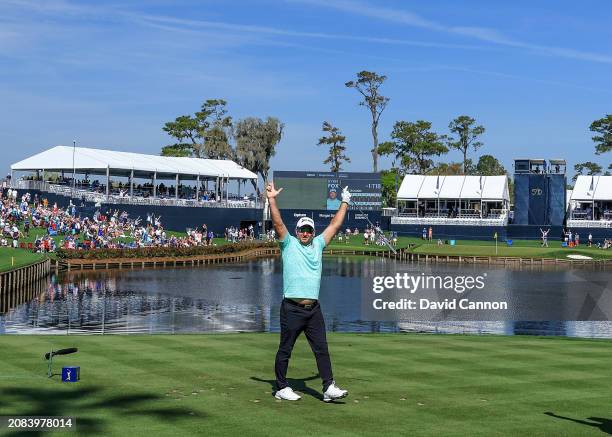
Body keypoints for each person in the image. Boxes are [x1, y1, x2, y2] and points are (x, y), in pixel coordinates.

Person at [267, 181, 350, 402]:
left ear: (313, 232)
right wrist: (272, 199)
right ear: (297, 231)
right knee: (286, 348)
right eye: (302, 230)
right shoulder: (288, 243)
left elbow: (334, 225)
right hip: (291, 308)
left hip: (313, 309)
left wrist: (345, 202)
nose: (305, 233)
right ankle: (281, 387)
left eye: (308, 230)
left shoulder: (319, 245)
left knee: (321, 349)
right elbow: (277, 222)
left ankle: (328, 387)